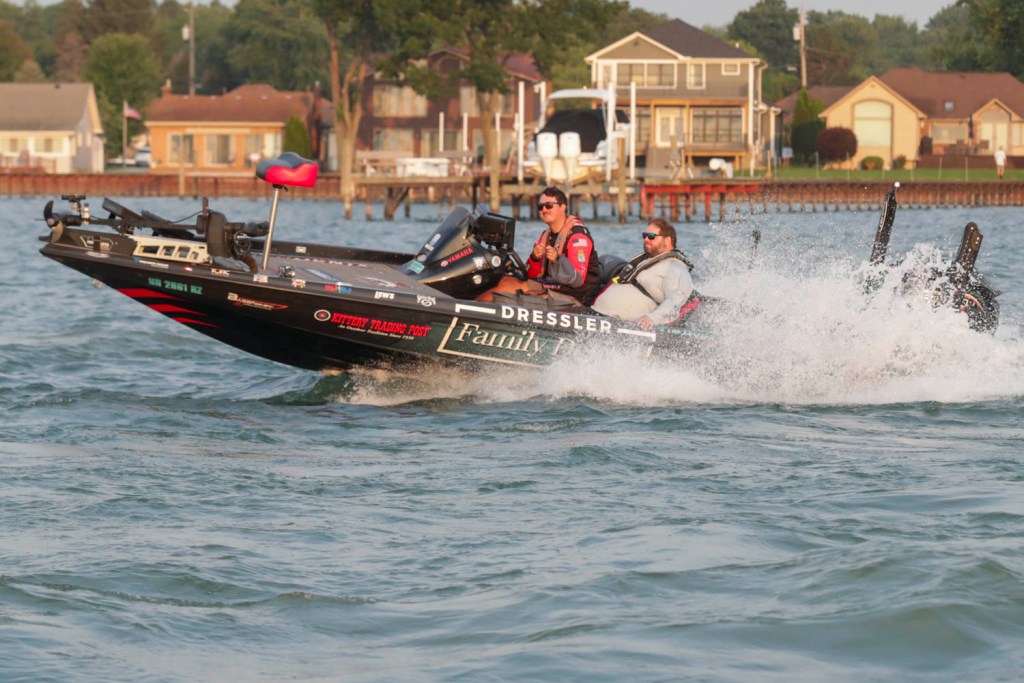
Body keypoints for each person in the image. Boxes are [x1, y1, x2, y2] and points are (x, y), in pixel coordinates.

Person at [481, 186, 601, 305]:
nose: (544, 209)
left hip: (577, 297)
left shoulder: (578, 237)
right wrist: (535, 258)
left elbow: (577, 280)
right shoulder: (546, 235)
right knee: (505, 282)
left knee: (525, 296)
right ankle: (474, 307)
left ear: (562, 207)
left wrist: (557, 260)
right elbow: (531, 275)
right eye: (540, 207)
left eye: (549, 205)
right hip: (552, 286)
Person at [591, 218, 694, 330]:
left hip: (620, 324)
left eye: (651, 236)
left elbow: (674, 300)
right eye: (644, 235)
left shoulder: (675, 268)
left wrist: (652, 318)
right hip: (597, 313)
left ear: (668, 240)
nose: (646, 239)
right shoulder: (646, 261)